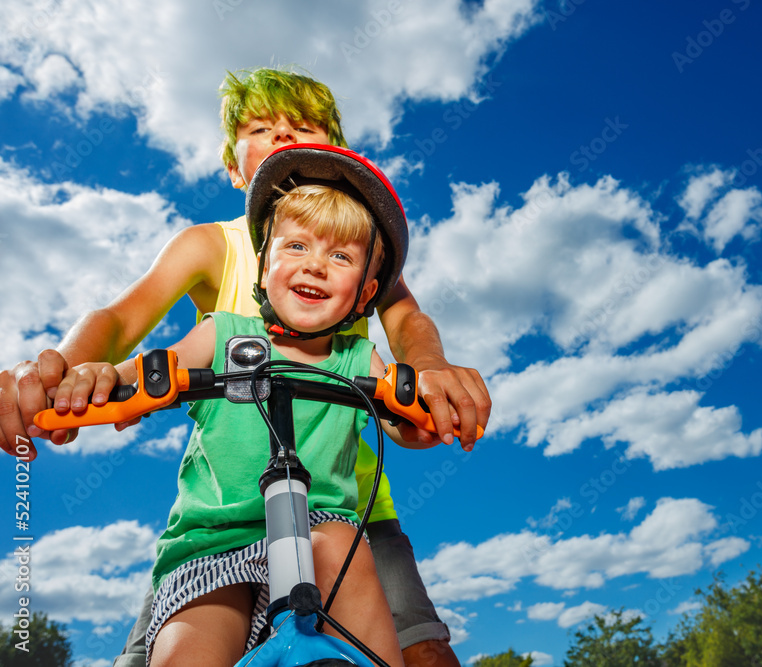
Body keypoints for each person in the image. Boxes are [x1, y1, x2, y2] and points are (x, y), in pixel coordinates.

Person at [0, 68, 484, 667]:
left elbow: (408, 321)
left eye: (302, 127)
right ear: (235, 167)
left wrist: (428, 375)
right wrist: (60, 371)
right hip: (223, 512)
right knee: (164, 651)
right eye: (262, 128)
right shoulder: (212, 247)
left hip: (344, 504)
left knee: (422, 649)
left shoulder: (365, 248)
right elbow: (121, 322)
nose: (283, 136)